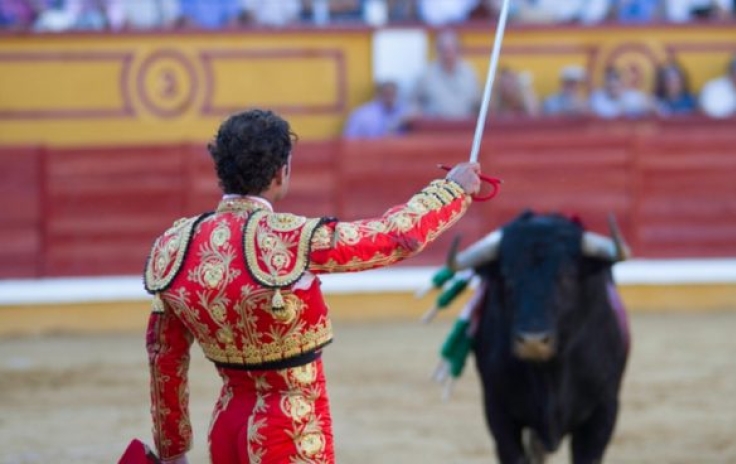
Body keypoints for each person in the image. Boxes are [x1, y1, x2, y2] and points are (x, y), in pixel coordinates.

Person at [142, 108, 481, 464]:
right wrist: (451, 191)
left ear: (220, 170)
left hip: (226, 430)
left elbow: (163, 355)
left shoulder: (175, 245)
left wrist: (172, 450)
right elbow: (393, 237)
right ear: (280, 172)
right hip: (291, 430)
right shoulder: (292, 238)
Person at [413, 30, 480, 119]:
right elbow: (414, 103)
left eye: (451, 50)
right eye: (443, 50)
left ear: (458, 50)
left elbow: (477, 103)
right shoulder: (426, 75)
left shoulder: (469, 73)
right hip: (435, 128)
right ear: (437, 51)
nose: (447, 54)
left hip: (465, 128)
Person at [343, 81, 409, 139]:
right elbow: (349, 139)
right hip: (368, 151)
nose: (390, 97)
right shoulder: (361, 115)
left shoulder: (403, 112)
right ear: (378, 94)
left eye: (393, 94)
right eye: (387, 93)